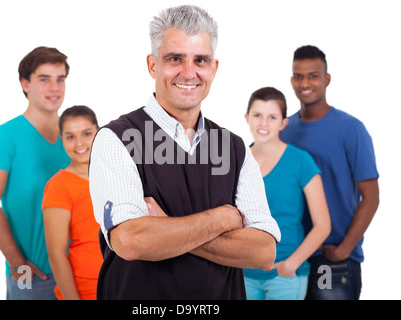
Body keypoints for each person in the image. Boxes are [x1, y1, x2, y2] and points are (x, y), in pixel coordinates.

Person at [89, 5, 281, 300]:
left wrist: (164, 226)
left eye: (200, 60)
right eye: (175, 58)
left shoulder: (234, 148)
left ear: (213, 69)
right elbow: (130, 240)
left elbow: (263, 252)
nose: (189, 72)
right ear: (153, 65)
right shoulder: (116, 139)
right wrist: (222, 219)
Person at [280, 45, 380, 300]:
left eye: (313, 75)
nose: (305, 83)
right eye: (299, 76)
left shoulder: (352, 129)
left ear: (326, 79)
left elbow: (371, 197)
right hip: (291, 256)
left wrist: (345, 248)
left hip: (332, 256)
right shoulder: (282, 129)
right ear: (292, 80)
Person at [0, 47, 71, 300]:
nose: (55, 87)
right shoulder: (4, 138)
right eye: (44, 79)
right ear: (25, 84)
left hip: (79, 270)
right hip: (35, 274)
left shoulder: (77, 137)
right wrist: (18, 264)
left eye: (60, 79)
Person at [243, 87, 330, 300]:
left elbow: (323, 225)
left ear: (283, 123)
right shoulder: (238, 161)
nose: (263, 123)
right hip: (243, 273)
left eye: (272, 117)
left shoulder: (301, 161)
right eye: (257, 115)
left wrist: (292, 264)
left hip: (285, 275)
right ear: (247, 118)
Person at [42, 105, 103, 300]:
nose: (79, 144)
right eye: (70, 136)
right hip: (86, 289)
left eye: (86, 133)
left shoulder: (115, 175)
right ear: (61, 140)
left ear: (99, 132)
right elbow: (56, 254)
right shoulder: (59, 186)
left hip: (126, 284)